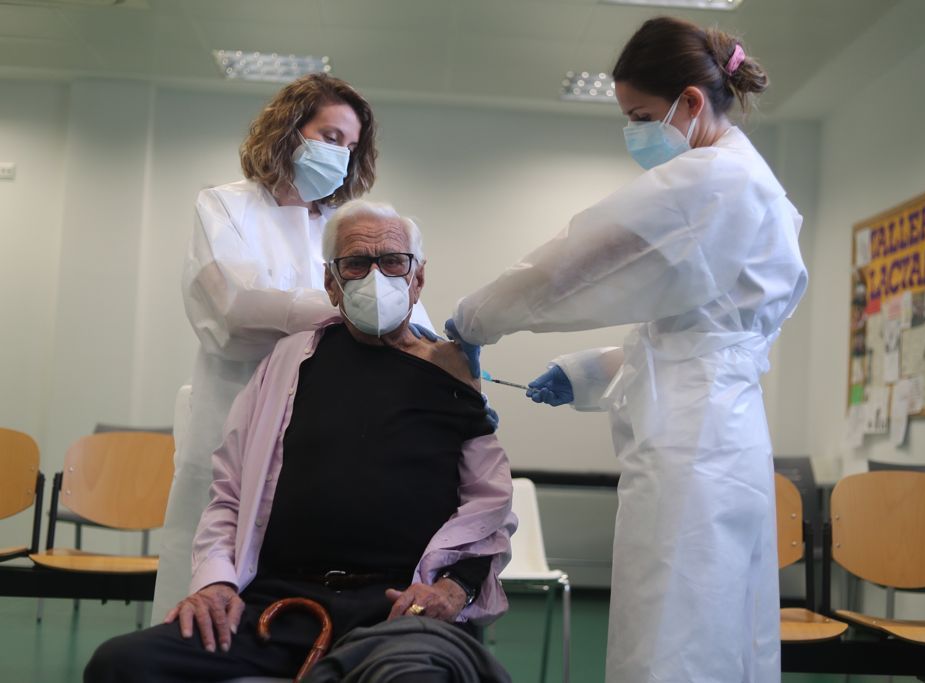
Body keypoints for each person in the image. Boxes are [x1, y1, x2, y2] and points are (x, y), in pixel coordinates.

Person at [445, 17, 807, 683]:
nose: (634, 132)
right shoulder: (760, 187)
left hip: (694, 451)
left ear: (691, 103)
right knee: (720, 630)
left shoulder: (711, 180)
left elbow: (571, 265)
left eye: (641, 115)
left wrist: (474, 319)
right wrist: (588, 373)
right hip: (725, 435)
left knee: (674, 635)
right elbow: (703, 335)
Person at [86, 201, 516, 683]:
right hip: (275, 606)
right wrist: (216, 582)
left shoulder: (451, 372)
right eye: (355, 263)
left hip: (398, 614)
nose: (376, 276)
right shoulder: (289, 363)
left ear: (417, 278)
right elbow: (229, 494)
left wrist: (454, 589)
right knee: (121, 664)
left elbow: (491, 507)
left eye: (393, 261)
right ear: (331, 283)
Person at [153, 73, 435, 621]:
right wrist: (351, 307)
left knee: (302, 602)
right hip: (233, 420)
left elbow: (407, 316)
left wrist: (445, 349)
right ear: (288, 129)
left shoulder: (345, 225)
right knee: (208, 591)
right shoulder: (225, 207)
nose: (341, 155)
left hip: (325, 435)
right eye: (330, 137)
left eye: (350, 147)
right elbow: (232, 312)